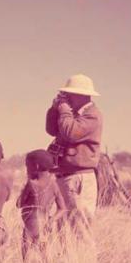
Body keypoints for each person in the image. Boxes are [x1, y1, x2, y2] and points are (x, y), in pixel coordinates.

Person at [45, 74, 103, 236]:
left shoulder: (92, 115)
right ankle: (70, 261)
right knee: (64, 231)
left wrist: (63, 110)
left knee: (80, 230)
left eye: (70, 94)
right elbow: (52, 130)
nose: (67, 98)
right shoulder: (73, 114)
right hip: (66, 177)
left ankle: (85, 262)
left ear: (81, 95)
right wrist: (54, 109)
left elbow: (71, 132)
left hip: (79, 178)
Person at [16, 149, 66, 260]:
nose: (27, 170)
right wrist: (52, 220)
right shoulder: (54, 185)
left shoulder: (31, 184)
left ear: (36, 166)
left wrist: (24, 188)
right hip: (45, 225)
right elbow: (62, 208)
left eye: (28, 166)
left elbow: (19, 203)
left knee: (26, 258)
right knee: (46, 257)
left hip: (30, 226)